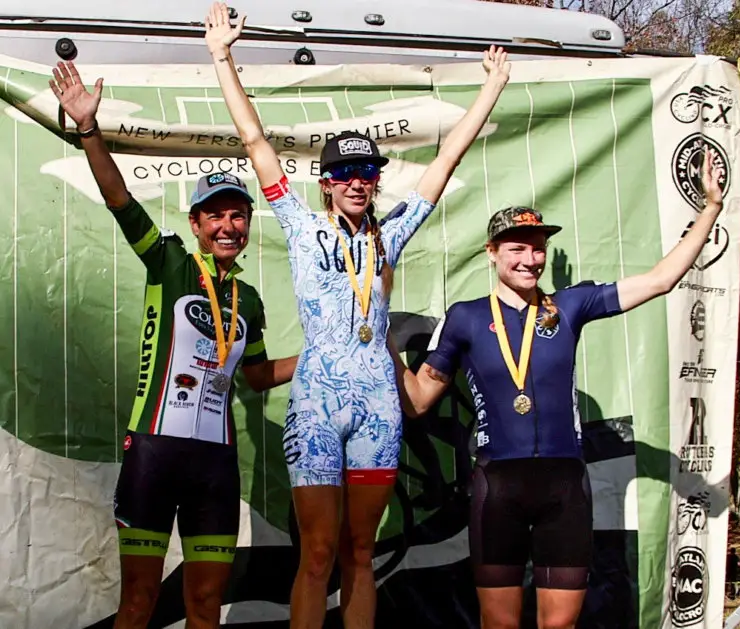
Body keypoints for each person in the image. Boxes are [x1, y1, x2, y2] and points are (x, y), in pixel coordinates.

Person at [203, 3, 511, 627]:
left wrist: (492, 88)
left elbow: (446, 161)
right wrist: (222, 58)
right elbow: (256, 141)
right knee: (316, 555)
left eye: (365, 171)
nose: (354, 181)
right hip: (316, 404)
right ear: (325, 183)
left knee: (362, 554)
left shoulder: (389, 236)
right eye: (342, 172)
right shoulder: (298, 224)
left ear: (374, 180)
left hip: (377, 403)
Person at [390, 153, 725, 629]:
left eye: (537, 248)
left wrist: (709, 208)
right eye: (517, 249)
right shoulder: (464, 317)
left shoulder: (571, 305)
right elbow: (420, 399)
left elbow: (661, 280)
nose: (530, 259)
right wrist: (378, 336)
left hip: (564, 486)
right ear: (491, 252)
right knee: (500, 625)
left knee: (560, 626)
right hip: (496, 487)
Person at [49, 60, 297, 629]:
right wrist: (89, 128)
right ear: (196, 223)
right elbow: (119, 200)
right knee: (139, 603)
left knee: (205, 604)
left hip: (215, 463)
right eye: (216, 216)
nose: (229, 225)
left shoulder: (251, 300)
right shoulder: (169, 264)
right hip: (154, 456)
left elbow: (256, 379)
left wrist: (318, 358)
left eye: (239, 215)